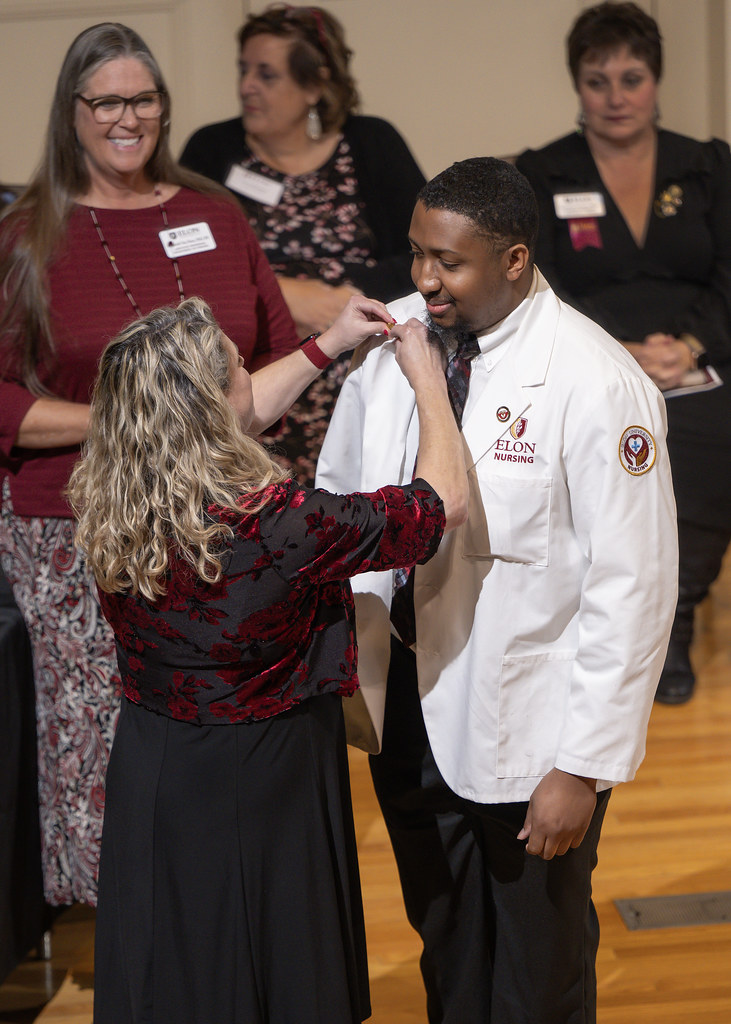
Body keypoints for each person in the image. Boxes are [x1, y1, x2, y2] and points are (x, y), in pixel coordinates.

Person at [316, 157, 678, 1024]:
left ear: (514, 260)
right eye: (414, 253)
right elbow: (342, 495)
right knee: (446, 948)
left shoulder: (596, 381)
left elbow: (633, 589)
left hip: (531, 729)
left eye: (448, 262)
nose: (422, 280)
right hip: (408, 706)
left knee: (535, 972)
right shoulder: (394, 341)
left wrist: (582, 768)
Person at [67, 293, 468, 1024]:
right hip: (267, 766)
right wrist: (429, 388)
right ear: (213, 403)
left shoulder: (113, 488)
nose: (252, 373)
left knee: (179, 953)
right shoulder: (281, 524)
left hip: (156, 758)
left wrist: (328, 344)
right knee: (274, 953)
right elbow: (438, 506)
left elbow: (230, 415)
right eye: (238, 367)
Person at [0, 22, 300, 907]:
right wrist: (129, 420)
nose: (127, 118)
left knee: (215, 739)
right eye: (106, 101)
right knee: (106, 738)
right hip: (76, 530)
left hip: (219, 527)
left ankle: (207, 917)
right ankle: (125, 933)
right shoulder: (27, 234)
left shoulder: (213, 213)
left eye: (143, 99)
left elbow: (275, 346)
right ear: (73, 112)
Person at [515, 1, 731, 705]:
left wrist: (689, 344)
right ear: (576, 85)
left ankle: (674, 619)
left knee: (704, 447)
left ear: (656, 82)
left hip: (699, 359)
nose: (615, 97)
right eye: (596, 80)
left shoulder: (704, 166)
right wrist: (617, 354)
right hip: (593, 362)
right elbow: (535, 282)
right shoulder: (542, 174)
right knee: (606, 461)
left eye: (631, 78)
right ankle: (608, 625)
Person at [180, 3, 426, 483]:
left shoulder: (371, 143)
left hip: (355, 377)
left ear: (314, 85)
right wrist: (288, 294)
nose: (246, 86)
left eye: (266, 75)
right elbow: (183, 262)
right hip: (248, 390)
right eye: (243, 69)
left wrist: (339, 298)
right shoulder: (212, 151)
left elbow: (424, 256)